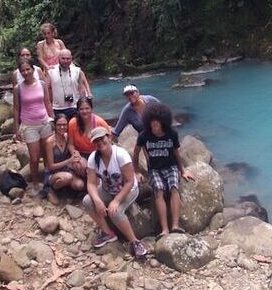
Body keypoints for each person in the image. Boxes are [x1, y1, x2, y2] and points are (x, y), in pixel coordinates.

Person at [83, 127, 147, 258]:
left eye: (102, 138)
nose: (100, 142)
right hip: (107, 189)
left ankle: (134, 242)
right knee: (87, 201)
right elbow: (91, 183)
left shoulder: (120, 154)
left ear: (109, 137)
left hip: (128, 189)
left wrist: (116, 201)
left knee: (115, 212)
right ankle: (108, 233)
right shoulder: (93, 158)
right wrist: (97, 200)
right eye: (97, 141)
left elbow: (129, 181)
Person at [133, 102, 194, 239]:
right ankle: (164, 229)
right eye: (152, 122)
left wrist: (182, 170)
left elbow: (176, 153)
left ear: (162, 122)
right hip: (154, 169)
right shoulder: (144, 135)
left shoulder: (171, 134)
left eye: (157, 122)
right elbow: (136, 153)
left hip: (170, 166)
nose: (154, 124)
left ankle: (175, 226)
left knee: (173, 187)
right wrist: (136, 171)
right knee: (159, 190)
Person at [13, 60, 54, 193]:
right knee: (34, 157)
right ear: (20, 72)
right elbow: (16, 109)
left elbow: (47, 103)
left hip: (44, 123)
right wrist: (16, 128)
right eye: (23, 71)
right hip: (29, 126)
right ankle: (36, 183)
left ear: (33, 69)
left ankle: (49, 179)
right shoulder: (18, 89)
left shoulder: (42, 84)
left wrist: (53, 119)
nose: (26, 72)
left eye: (28, 69)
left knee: (48, 155)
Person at [44, 114, 87, 197]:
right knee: (68, 177)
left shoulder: (67, 137)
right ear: (55, 125)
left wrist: (76, 154)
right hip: (53, 173)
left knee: (80, 185)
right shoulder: (50, 142)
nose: (62, 127)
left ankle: (67, 189)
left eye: (64, 125)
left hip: (67, 169)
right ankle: (52, 190)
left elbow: (73, 148)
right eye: (59, 125)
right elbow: (50, 166)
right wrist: (69, 161)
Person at [47, 49, 91, 120]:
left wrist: (83, 104)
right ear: (59, 58)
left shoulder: (77, 71)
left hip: (74, 106)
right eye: (63, 58)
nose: (65, 61)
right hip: (57, 108)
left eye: (68, 59)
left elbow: (81, 88)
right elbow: (47, 89)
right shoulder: (51, 71)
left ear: (71, 58)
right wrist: (49, 106)